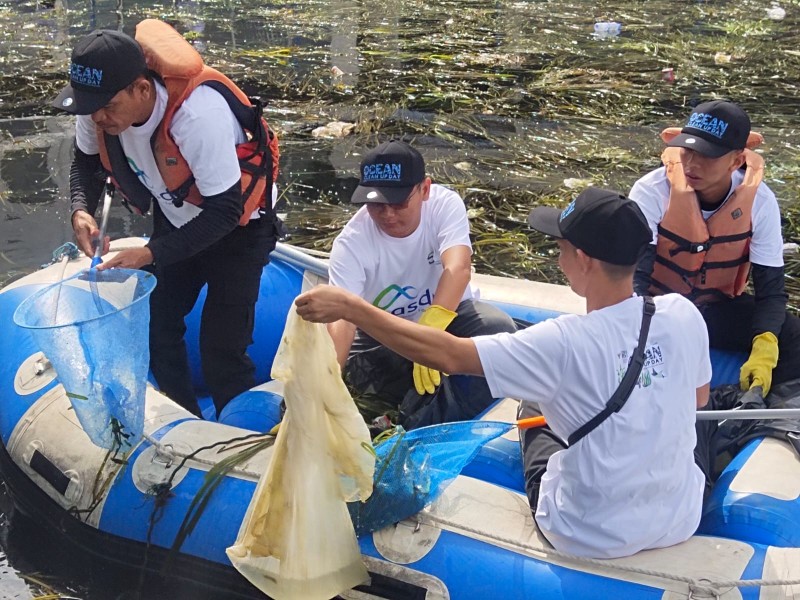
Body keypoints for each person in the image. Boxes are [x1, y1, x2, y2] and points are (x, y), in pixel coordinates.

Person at [296, 187, 711, 559]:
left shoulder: (562, 342)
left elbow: (448, 355)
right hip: (679, 518)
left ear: (582, 259)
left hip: (589, 532)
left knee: (533, 405)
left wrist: (351, 307)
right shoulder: (682, 313)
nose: (558, 256)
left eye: (561, 247)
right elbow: (697, 400)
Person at [53, 21, 282, 417]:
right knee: (157, 328)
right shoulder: (96, 110)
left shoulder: (195, 116)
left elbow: (226, 211)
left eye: (109, 107)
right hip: (177, 218)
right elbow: (85, 163)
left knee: (222, 348)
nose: (99, 118)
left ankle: (243, 438)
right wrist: (80, 209)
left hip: (239, 229)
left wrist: (149, 254)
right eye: (92, 108)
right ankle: (186, 421)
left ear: (141, 89)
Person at [327, 139, 516, 429]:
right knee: (357, 377)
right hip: (384, 332)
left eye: (399, 203)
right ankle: (399, 412)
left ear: (424, 189)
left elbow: (458, 267)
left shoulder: (444, 205)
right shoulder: (351, 245)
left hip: (449, 318)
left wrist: (430, 332)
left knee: (498, 330)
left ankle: (416, 426)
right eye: (376, 204)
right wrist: (326, 382)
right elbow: (343, 320)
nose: (388, 214)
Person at [630, 100, 800, 400]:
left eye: (706, 156)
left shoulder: (760, 202)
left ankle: (755, 409)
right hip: (658, 310)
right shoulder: (651, 190)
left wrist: (764, 345)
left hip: (716, 310)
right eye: (687, 150)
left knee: (792, 335)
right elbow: (635, 280)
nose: (691, 164)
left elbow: (771, 291)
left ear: (736, 161)